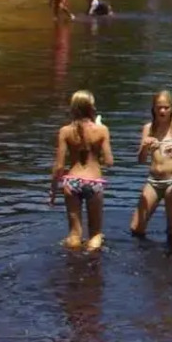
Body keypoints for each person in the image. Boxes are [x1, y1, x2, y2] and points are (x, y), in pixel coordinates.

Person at [130, 89, 172, 247]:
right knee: (136, 228)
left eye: (166, 107)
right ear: (153, 108)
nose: (162, 111)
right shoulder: (148, 128)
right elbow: (141, 159)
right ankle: (143, 255)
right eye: (159, 107)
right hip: (153, 181)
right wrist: (145, 147)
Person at [50, 90, 114, 250]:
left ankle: (73, 264)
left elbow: (59, 166)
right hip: (94, 182)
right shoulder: (102, 130)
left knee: (74, 235)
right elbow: (109, 161)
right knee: (96, 234)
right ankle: (91, 264)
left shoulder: (65, 131)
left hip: (71, 182)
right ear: (91, 108)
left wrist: (53, 190)